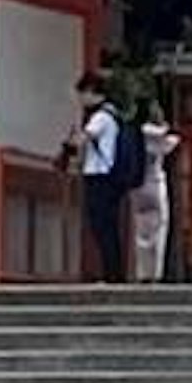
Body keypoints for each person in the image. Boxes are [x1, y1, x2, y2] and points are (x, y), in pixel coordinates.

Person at [61, 76, 130, 283]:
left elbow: (83, 140)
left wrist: (69, 143)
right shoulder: (112, 115)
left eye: (82, 94)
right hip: (107, 177)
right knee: (106, 226)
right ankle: (113, 273)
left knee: (102, 226)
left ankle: (112, 275)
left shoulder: (101, 117)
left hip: (101, 177)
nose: (81, 99)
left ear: (91, 92)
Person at [129, 116, 181, 282]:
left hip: (137, 186)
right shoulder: (159, 139)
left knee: (140, 230)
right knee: (158, 229)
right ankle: (155, 273)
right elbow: (174, 141)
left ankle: (141, 271)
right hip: (156, 183)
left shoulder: (136, 135)